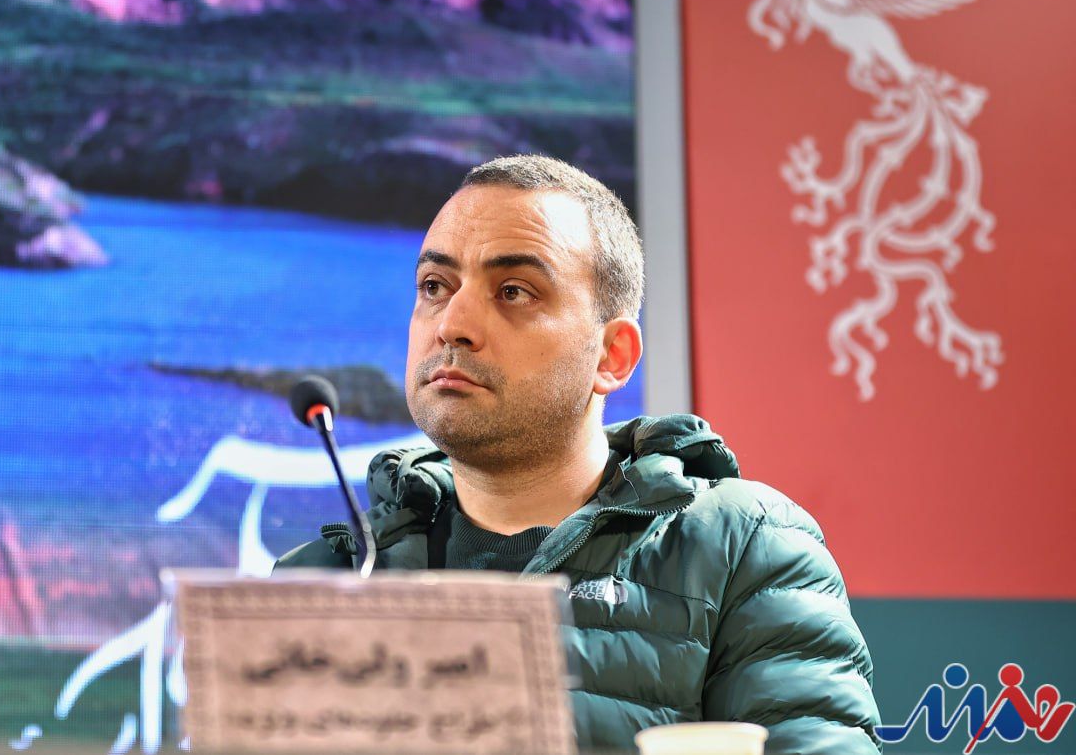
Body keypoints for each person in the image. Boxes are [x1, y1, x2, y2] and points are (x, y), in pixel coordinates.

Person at [275, 155, 880, 753]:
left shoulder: (746, 548)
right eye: (435, 286)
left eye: (513, 291)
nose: (452, 324)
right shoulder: (323, 578)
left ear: (612, 355)